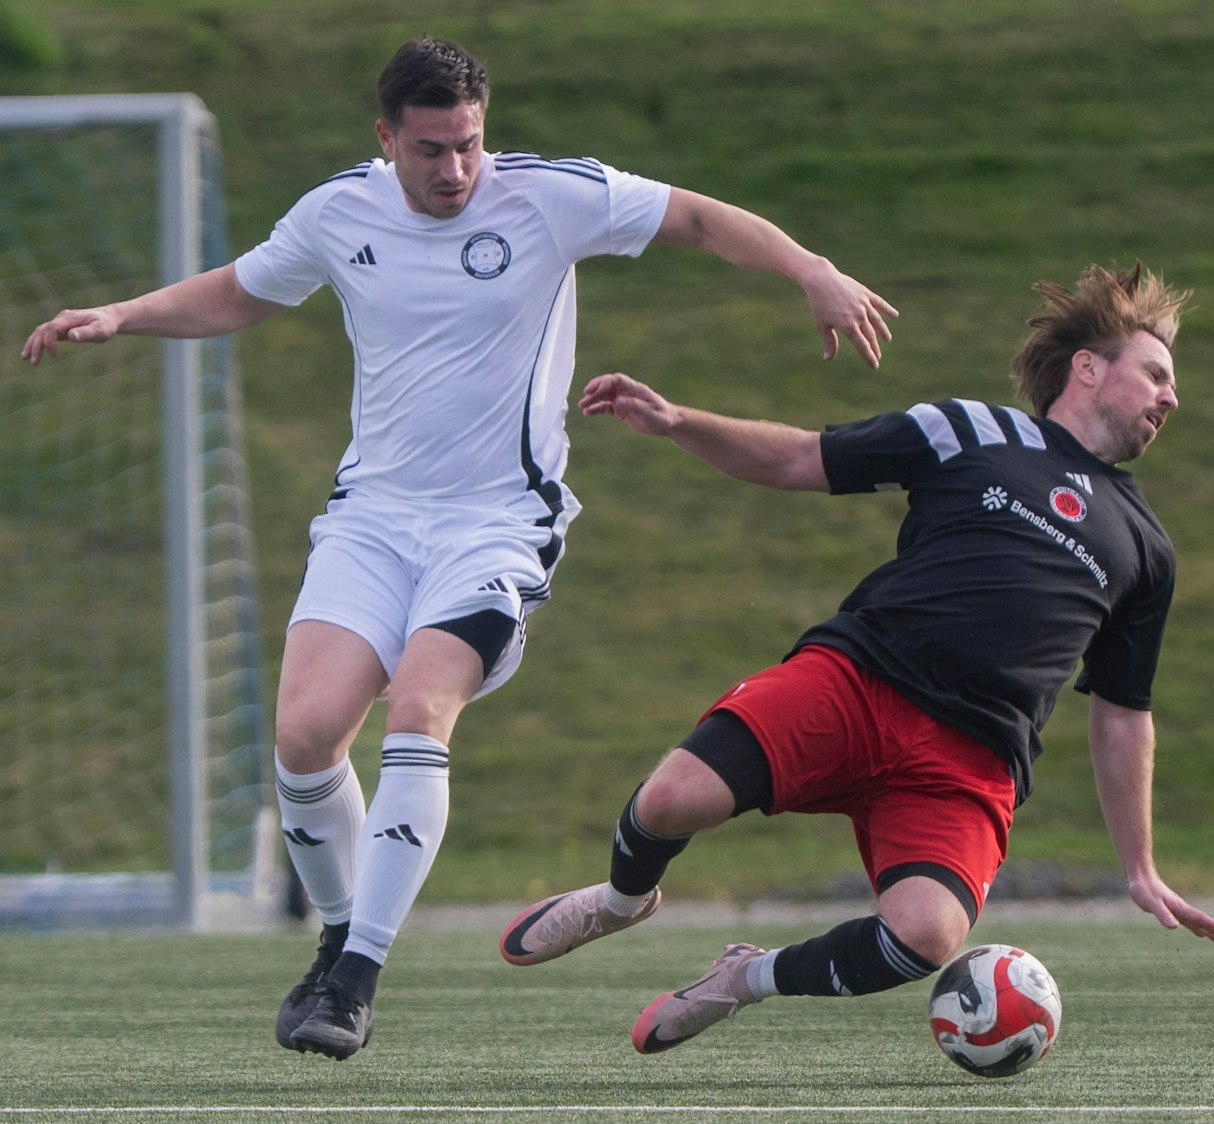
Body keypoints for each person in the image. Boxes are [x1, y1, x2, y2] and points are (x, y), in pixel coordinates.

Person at [19, 37, 897, 1059]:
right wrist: (122, 315)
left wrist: (812, 270)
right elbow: (244, 289)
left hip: (498, 523)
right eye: (430, 149)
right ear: (386, 138)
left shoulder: (549, 197)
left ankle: (356, 976)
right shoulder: (339, 211)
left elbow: (697, 218)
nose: (454, 170)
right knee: (304, 736)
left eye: (469, 145)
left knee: (419, 705)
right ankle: (340, 933)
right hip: (371, 518)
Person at [499, 262, 1214, 1055]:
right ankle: (620, 901)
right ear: (1087, 368)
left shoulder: (1146, 546)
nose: (1170, 397)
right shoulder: (969, 431)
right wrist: (679, 421)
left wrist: (1139, 866)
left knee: (926, 936)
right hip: (860, 682)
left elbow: (1123, 713)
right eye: (1156, 375)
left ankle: (741, 979)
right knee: (672, 799)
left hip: (971, 759)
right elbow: (797, 459)